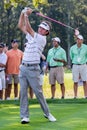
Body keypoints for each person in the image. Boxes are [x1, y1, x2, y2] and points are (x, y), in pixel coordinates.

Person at [18, 7, 56, 124]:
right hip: (23, 67)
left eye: (43, 29)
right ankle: (25, 116)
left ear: (46, 32)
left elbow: (28, 27)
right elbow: (21, 26)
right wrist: (22, 13)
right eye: (40, 27)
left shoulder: (41, 39)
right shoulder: (32, 36)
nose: (40, 29)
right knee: (23, 93)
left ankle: (47, 113)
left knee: (38, 93)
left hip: (33, 68)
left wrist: (27, 15)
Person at [70, 34, 87, 99]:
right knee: (75, 81)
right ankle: (75, 96)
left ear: (82, 40)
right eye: (77, 39)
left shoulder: (86, 47)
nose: (78, 40)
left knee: (85, 81)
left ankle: (86, 95)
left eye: (80, 39)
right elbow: (72, 57)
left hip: (83, 65)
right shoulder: (72, 48)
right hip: (75, 65)